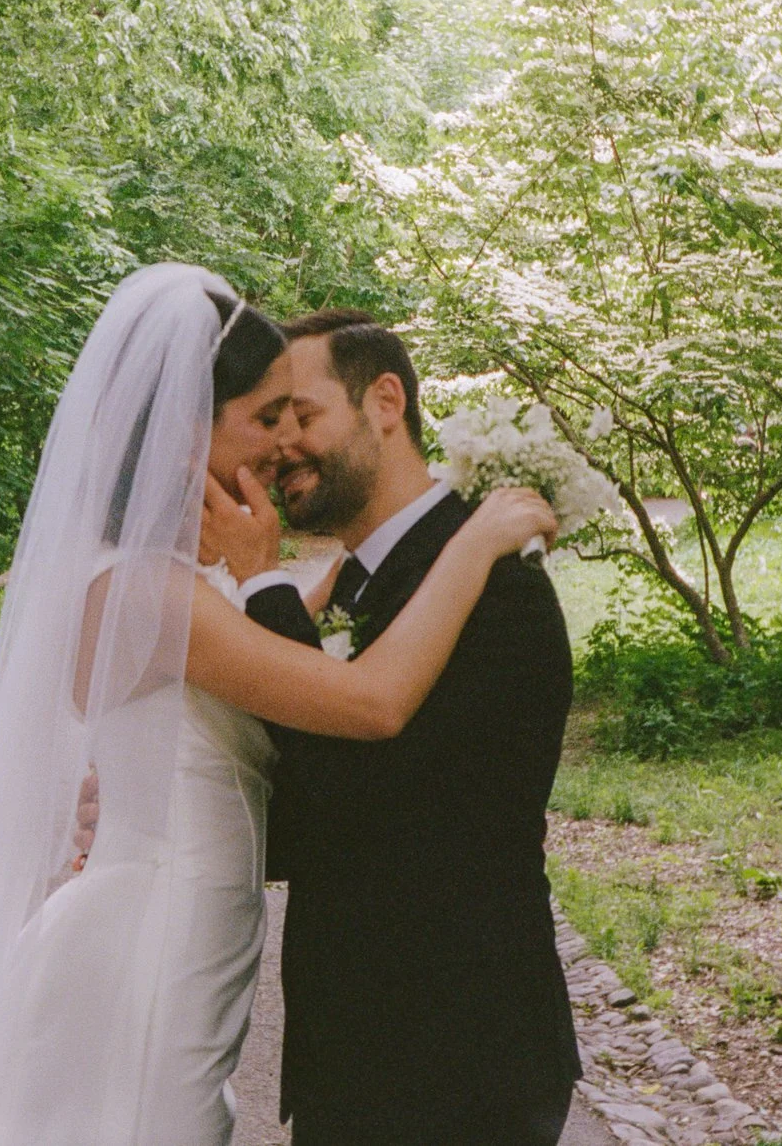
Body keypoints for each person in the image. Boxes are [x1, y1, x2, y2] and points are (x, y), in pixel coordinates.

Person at [0, 264, 552, 1146]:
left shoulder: (178, 585)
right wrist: (477, 535)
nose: (279, 446)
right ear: (189, 435)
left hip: (187, 935)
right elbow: (370, 702)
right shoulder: (151, 593)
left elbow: (288, 638)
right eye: (264, 419)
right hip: (152, 941)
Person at [214, 309, 584, 1146]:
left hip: (460, 1061)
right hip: (367, 1060)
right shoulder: (366, 584)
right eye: (268, 422)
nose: (279, 449)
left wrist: (261, 584)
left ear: (385, 401)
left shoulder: (495, 582)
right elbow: (316, 820)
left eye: (301, 415)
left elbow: (359, 801)